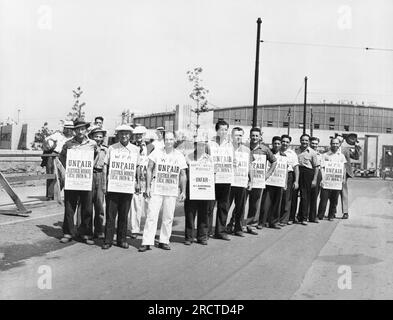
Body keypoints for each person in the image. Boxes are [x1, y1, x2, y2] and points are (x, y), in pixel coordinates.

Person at [139, 131, 187, 252]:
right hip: (157, 188)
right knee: (151, 215)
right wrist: (148, 187)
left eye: (171, 139)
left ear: (174, 140)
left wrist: (183, 191)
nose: (169, 142)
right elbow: (149, 169)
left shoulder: (179, 155)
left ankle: (164, 240)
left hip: (171, 190)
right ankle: (147, 241)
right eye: (167, 139)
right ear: (164, 140)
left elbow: (183, 174)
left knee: (168, 216)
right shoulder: (157, 152)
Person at [59, 119, 97, 245]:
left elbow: (96, 156)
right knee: (70, 207)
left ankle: (85, 233)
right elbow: (62, 158)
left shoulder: (92, 143)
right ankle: (68, 232)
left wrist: (90, 169)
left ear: (86, 130)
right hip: (72, 179)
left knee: (87, 207)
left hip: (86, 179)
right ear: (74, 130)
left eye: (83, 129)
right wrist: (66, 172)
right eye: (78, 129)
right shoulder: (68, 144)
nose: (80, 131)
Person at [102, 125, 140, 249]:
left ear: (130, 135)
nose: (124, 136)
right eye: (122, 134)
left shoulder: (135, 149)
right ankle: (108, 240)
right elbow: (105, 166)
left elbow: (137, 167)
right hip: (113, 186)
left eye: (127, 134)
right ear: (118, 135)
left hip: (127, 186)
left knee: (124, 215)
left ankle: (121, 240)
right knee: (110, 215)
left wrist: (138, 182)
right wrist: (105, 183)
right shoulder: (112, 148)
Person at [245, 127, 277, 234]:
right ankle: (235, 224)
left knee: (255, 204)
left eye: (256, 136)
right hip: (243, 180)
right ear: (250, 136)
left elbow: (274, 161)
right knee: (240, 204)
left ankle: (251, 225)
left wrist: (267, 174)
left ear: (260, 137)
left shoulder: (265, 149)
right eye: (252, 135)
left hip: (257, 181)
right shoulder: (244, 147)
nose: (254, 137)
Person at [183, 135, 212, 245]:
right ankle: (189, 237)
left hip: (204, 189)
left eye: (203, 145)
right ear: (195, 145)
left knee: (204, 213)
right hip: (191, 188)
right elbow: (184, 174)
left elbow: (212, 174)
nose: (201, 147)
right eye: (198, 144)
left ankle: (202, 237)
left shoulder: (209, 158)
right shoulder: (188, 157)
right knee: (190, 213)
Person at [208, 120, 234, 241]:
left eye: (225, 129)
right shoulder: (210, 144)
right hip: (212, 180)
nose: (223, 132)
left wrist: (234, 163)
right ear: (216, 130)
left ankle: (220, 231)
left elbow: (233, 160)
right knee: (209, 206)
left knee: (223, 206)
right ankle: (207, 231)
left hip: (225, 179)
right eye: (221, 129)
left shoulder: (230, 144)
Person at [129, 125, 154, 238]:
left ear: (144, 135)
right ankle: (135, 229)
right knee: (135, 205)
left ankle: (149, 230)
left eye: (141, 134)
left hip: (148, 179)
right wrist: (135, 181)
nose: (139, 136)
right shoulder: (131, 147)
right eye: (136, 134)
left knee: (150, 206)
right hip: (136, 180)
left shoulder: (151, 147)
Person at [225, 127, 250, 237]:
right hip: (229, 182)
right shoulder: (226, 148)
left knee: (240, 207)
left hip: (242, 182)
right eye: (236, 135)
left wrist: (251, 181)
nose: (238, 137)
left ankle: (238, 229)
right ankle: (221, 229)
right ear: (231, 136)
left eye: (240, 135)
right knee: (225, 206)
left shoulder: (247, 150)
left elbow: (249, 166)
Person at [258, 136, 286, 229]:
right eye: (275, 143)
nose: (277, 145)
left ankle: (273, 222)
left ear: (281, 144)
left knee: (277, 203)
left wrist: (285, 182)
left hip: (279, 182)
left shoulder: (283, 156)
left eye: (278, 143)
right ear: (272, 144)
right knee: (266, 202)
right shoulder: (267, 153)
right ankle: (262, 222)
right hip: (268, 182)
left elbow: (285, 170)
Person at [42, 120, 74, 200]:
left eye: (71, 128)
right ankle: (50, 195)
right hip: (54, 156)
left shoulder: (73, 138)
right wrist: (51, 145)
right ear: (65, 128)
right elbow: (47, 140)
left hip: (66, 157)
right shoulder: (58, 135)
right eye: (67, 128)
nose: (69, 130)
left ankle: (57, 193)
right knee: (52, 175)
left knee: (64, 177)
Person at [317, 138, 347, 220]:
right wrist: (323, 179)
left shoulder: (341, 156)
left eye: (337, 143)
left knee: (334, 200)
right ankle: (320, 215)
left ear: (339, 144)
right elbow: (322, 168)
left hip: (336, 182)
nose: (335, 145)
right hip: (326, 181)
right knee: (323, 199)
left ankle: (331, 215)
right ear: (330, 144)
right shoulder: (325, 155)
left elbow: (343, 168)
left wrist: (343, 178)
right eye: (333, 143)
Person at [293, 134, 319, 225]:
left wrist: (314, 179)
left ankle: (303, 217)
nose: (304, 142)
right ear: (300, 140)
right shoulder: (295, 151)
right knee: (294, 195)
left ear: (308, 142)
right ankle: (292, 217)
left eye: (306, 140)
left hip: (307, 173)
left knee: (305, 196)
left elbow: (316, 167)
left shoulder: (312, 152)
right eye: (303, 140)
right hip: (296, 172)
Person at [88, 126, 108, 239]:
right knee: (87, 204)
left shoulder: (106, 149)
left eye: (100, 136)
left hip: (101, 175)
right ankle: (86, 229)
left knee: (99, 204)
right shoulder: (88, 147)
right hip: (89, 174)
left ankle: (99, 230)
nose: (98, 138)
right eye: (96, 136)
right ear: (91, 137)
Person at [336, 134, 361, 219]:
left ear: (342, 142)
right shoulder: (329, 150)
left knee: (343, 192)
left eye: (340, 141)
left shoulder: (345, 150)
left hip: (343, 174)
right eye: (336, 141)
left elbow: (356, 157)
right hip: (332, 174)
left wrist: (356, 147)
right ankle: (332, 212)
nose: (337, 143)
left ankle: (345, 212)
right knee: (331, 193)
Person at [279, 134, 299, 226]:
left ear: (289, 143)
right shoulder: (276, 151)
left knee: (287, 198)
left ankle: (284, 219)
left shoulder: (292, 153)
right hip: (277, 175)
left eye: (287, 142)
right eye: (283, 141)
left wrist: (296, 181)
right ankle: (274, 218)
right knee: (277, 197)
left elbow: (296, 168)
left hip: (289, 176)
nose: (285, 143)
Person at [309, 136, 322, 223]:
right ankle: (302, 215)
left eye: (316, 144)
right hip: (308, 173)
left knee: (314, 196)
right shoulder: (307, 152)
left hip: (317, 175)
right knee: (305, 196)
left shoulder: (320, 155)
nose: (314, 145)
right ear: (310, 143)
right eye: (313, 143)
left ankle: (313, 216)